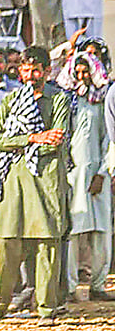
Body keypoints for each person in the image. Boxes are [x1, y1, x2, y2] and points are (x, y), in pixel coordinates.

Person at [0, 47, 70, 322]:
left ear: (47, 71)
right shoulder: (10, 101)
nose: (31, 75)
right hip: (12, 178)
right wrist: (33, 138)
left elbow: (56, 138)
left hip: (45, 178)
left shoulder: (58, 100)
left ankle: (46, 308)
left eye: (37, 70)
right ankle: (0, 304)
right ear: (19, 71)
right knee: (4, 241)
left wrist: (28, 140)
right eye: (26, 69)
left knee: (48, 243)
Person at [59, 52, 112, 300]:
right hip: (72, 175)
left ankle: (99, 286)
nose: (81, 77)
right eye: (77, 72)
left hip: (99, 174)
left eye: (85, 72)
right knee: (73, 231)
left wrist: (103, 172)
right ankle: (70, 288)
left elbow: (109, 139)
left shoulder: (103, 100)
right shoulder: (66, 102)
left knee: (101, 232)